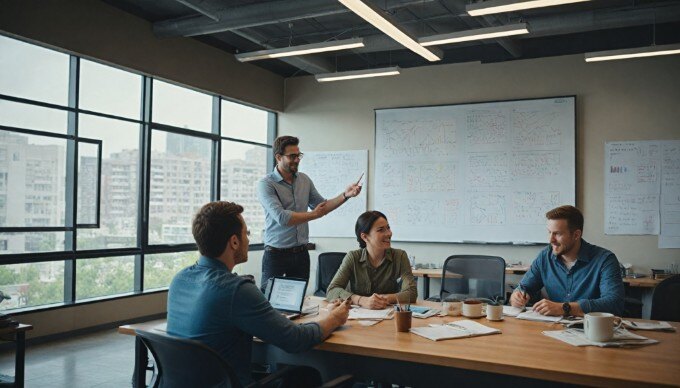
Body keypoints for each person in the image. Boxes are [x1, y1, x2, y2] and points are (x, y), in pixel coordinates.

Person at [166, 201, 350, 387]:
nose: (248, 239)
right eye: (246, 233)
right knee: (305, 374)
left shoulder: (179, 280)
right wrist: (334, 318)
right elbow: (296, 340)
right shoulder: (236, 290)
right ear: (234, 242)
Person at [257, 135, 362, 289]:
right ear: (278, 157)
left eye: (298, 155)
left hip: (301, 253)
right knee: (270, 300)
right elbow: (282, 217)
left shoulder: (304, 180)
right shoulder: (266, 184)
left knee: (298, 301)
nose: (297, 160)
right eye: (292, 156)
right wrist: (314, 214)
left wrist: (346, 195)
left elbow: (322, 206)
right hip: (275, 255)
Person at [510, 205, 624, 317]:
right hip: (554, 329)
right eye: (549, 232)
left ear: (576, 235)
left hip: (591, 329)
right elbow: (524, 288)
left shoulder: (605, 260)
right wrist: (517, 296)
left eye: (557, 234)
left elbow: (614, 304)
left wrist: (564, 308)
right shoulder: (545, 257)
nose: (550, 240)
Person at [326, 210, 418, 309]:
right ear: (365, 237)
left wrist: (381, 299)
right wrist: (361, 300)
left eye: (388, 228)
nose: (389, 233)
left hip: (388, 317)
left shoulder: (400, 256)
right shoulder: (353, 257)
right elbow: (332, 290)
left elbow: (411, 293)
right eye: (381, 230)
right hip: (355, 317)